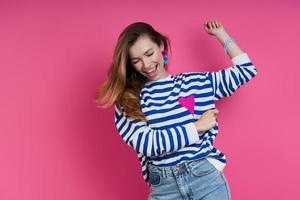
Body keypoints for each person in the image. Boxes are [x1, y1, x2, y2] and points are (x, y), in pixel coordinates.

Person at [95, 20, 257, 200]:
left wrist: (222, 35)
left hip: (206, 180)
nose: (146, 64)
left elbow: (246, 70)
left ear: (161, 46)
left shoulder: (196, 83)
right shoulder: (129, 100)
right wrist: (197, 127)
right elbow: (149, 145)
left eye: (149, 54)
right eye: (136, 60)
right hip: (165, 189)